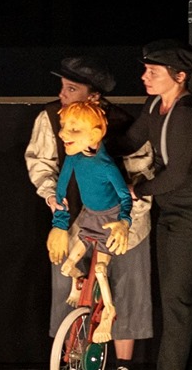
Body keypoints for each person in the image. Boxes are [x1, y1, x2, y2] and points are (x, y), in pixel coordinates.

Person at [25, 56, 154, 370]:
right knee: (69, 286)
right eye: (62, 87)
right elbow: (41, 162)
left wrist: (127, 221)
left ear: (94, 96)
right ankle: (71, 361)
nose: (62, 95)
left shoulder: (123, 124)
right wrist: (52, 198)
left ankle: (123, 367)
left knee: (125, 286)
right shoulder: (51, 117)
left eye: (71, 89)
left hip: (120, 221)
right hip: (75, 221)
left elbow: (142, 175)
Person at [113, 39, 192, 370]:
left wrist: (137, 189)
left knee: (178, 303)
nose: (144, 77)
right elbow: (130, 141)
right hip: (173, 212)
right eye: (145, 70)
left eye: (153, 72)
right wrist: (93, 143)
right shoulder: (154, 106)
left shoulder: (187, 114)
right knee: (182, 300)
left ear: (179, 76)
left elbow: (176, 175)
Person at [46, 101, 133, 344]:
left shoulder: (106, 166)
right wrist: (59, 224)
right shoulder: (74, 158)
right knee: (67, 267)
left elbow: (125, 197)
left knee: (101, 270)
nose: (62, 134)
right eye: (63, 126)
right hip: (89, 217)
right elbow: (61, 191)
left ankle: (109, 312)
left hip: (108, 220)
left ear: (94, 135)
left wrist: (124, 222)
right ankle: (79, 280)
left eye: (74, 129)